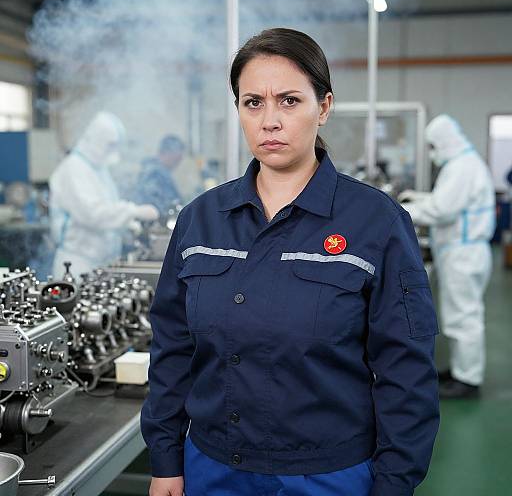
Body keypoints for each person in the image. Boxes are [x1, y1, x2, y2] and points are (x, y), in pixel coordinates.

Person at [141, 28, 439, 496]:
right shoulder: (200, 220)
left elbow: (407, 371)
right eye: (252, 102)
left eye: (290, 101)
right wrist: (164, 460)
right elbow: (171, 349)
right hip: (213, 468)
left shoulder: (376, 222)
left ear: (323, 108)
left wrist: (394, 483)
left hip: (329, 475)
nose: (270, 120)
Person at [399, 115, 496, 399]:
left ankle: (468, 380)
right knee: (459, 314)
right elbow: (445, 200)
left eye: (432, 145)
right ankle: (460, 369)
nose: (431, 151)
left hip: (463, 254)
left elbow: (441, 210)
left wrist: (398, 210)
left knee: (464, 316)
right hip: (461, 251)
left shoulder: (462, 167)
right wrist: (417, 197)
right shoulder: (463, 164)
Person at [50, 111, 160, 278]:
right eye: (110, 145)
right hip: (76, 264)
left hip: (98, 262)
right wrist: (133, 211)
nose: (113, 151)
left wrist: (127, 225)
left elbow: (107, 207)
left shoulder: (97, 169)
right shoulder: (74, 169)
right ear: (96, 140)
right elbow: (93, 214)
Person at [136, 135, 184, 218]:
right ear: (166, 153)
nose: (178, 162)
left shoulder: (161, 173)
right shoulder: (154, 174)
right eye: (177, 158)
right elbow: (157, 205)